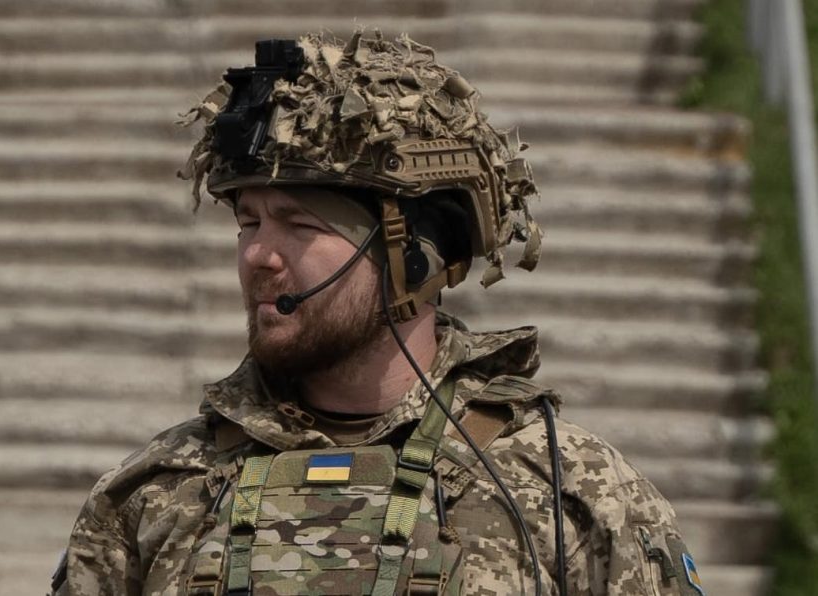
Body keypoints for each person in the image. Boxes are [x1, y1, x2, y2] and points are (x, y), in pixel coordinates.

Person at [50, 31, 706, 596]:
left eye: (299, 224)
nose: (258, 256)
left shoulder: (573, 492)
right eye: (248, 222)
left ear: (413, 259)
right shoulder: (156, 491)